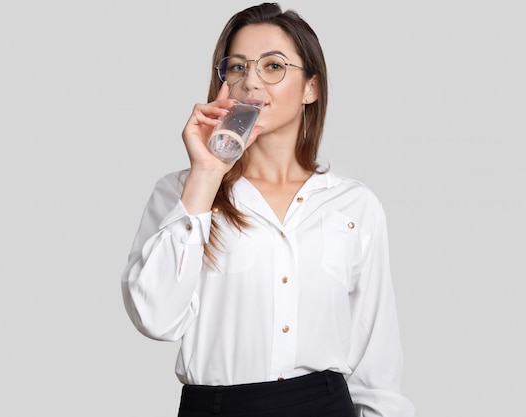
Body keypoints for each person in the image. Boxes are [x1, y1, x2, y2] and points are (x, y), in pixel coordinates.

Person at [121, 3, 415, 416]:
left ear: (311, 87)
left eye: (273, 66)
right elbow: (155, 318)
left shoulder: (354, 205)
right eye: (237, 68)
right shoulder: (183, 193)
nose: (251, 82)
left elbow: (376, 357)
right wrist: (206, 175)